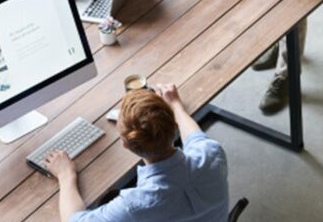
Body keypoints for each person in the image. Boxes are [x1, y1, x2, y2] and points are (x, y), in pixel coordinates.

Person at [46, 83, 229, 222]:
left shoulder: (133, 206)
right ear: (175, 128)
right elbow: (195, 137)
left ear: (126, 145)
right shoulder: (212, 154)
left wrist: (65, 175)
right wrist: (176, 106)